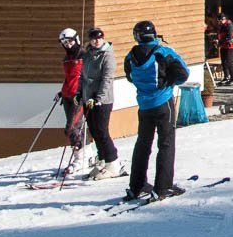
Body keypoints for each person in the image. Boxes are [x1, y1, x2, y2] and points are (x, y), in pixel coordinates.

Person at [123, 20, 190, 200]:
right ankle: (163, 187)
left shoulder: (131, 55)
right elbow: (184, 73)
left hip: (144, 105)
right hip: (163, 103)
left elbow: (129, 76)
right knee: (166, 144)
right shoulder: (163, 52)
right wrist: (169, 83)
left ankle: (136, 186)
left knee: (142, 145)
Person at [78, 27, 121, 180]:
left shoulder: (107, 55)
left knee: (102, 130)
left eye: (99, 38)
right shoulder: (87, 54)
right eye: (93, 38)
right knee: (94, 130)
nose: (96, 41)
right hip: (88, 98)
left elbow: (107, 78)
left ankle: (113, 162)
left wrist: (99, 98)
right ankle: (102, 160)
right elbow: (82, 76)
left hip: (102, 100)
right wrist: (79, 93)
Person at [57, 27, 85, 173]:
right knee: (73, 127)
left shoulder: (83, 55)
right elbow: (69, 78)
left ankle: (79, 159)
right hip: (68, 95)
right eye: (64, 43)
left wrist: (82, 92)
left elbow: (84, 77)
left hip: (78, 96)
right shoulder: (67, 58)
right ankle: (87, 154)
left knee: (72, 127)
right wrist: (62, 92)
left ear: (76, 40)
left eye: (69, 41)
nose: (67, 45)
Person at [216, 12, 233, 85]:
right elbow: (220, 35)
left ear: (223, 19)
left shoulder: (229, 25)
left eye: (219, 21)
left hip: (229, 46)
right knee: (223, 62)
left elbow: (229, 37)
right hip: (223, 46)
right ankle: (226, 77)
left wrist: (220, 42)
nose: (219, 22)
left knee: (229, 62)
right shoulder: (222, 25)